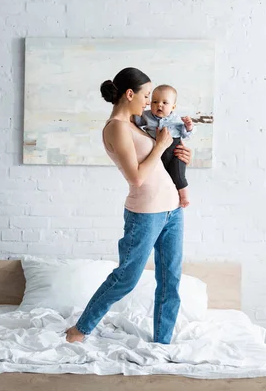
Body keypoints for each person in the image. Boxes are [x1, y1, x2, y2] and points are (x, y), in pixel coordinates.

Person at [65, 67, 192, 345]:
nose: (149, 101)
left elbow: (161, 158)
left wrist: (181, 153)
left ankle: (162, 342)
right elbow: (136, 177)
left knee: (170, 280)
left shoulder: (137, 122)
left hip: (172, 209)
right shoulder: (116, 128)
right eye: (146, 95)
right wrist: (159, 146)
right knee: (126, 277)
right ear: (130, 93)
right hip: (145, 214)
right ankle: (80, 329)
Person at [134, 84, 195, 208]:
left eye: (165, 103)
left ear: (173, 107)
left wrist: (189, 127)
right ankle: (167, 199)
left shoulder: (177, 119)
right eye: (155, 101)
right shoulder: (146, 116)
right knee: (161, 176)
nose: (159, 105)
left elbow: (186, 135)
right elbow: (134, 120)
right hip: (158, 153)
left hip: (175, 151)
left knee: (178, 175)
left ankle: (184, 196)